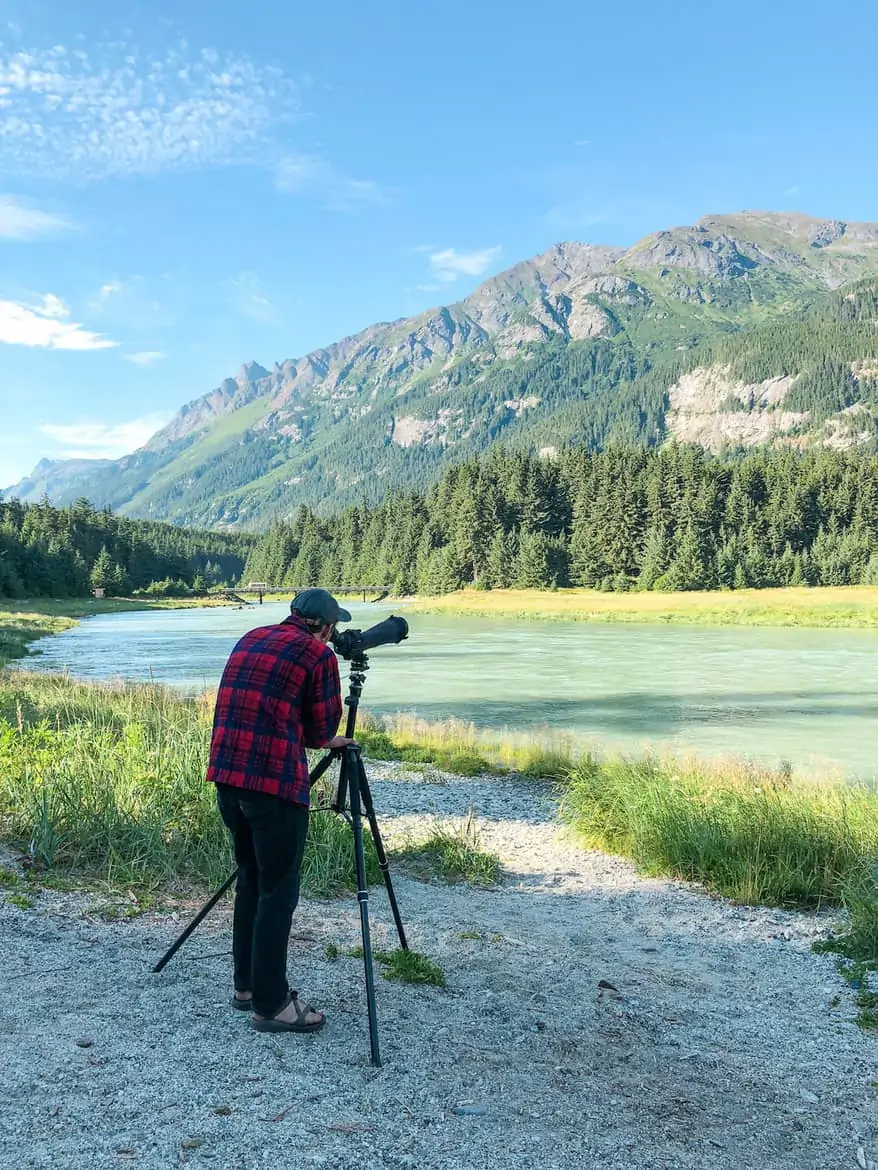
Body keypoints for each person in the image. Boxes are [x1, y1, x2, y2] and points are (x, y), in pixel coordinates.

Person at [206, 588, 356, 1034]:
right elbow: (320, 730)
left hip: (228, 777)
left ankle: (246, 987)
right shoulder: (318, 656)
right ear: (327, 627)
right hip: (273, 785)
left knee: (251, 879)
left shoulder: (252, 636)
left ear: (292, 614)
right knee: (278, 890)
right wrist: (334, 739)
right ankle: (272, 1005)